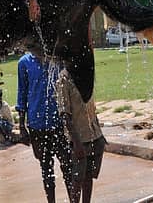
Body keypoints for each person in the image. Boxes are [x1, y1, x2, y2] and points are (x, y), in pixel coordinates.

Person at [16, 45, 77, 203]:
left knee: (68, 166)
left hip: (59, 122)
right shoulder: (24, 63)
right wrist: (22, 127)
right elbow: (22, 93)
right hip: (37, 125)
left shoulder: (56, 61)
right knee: (46, 169)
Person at [56, 68, 106, 203]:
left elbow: (91, 107)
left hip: (93, 134)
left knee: (88, 176)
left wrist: (99, 132)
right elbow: (65, 115)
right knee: (77, 179)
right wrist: (76, 143)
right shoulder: (64, 79)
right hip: (79, 138)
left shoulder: (85, 73)